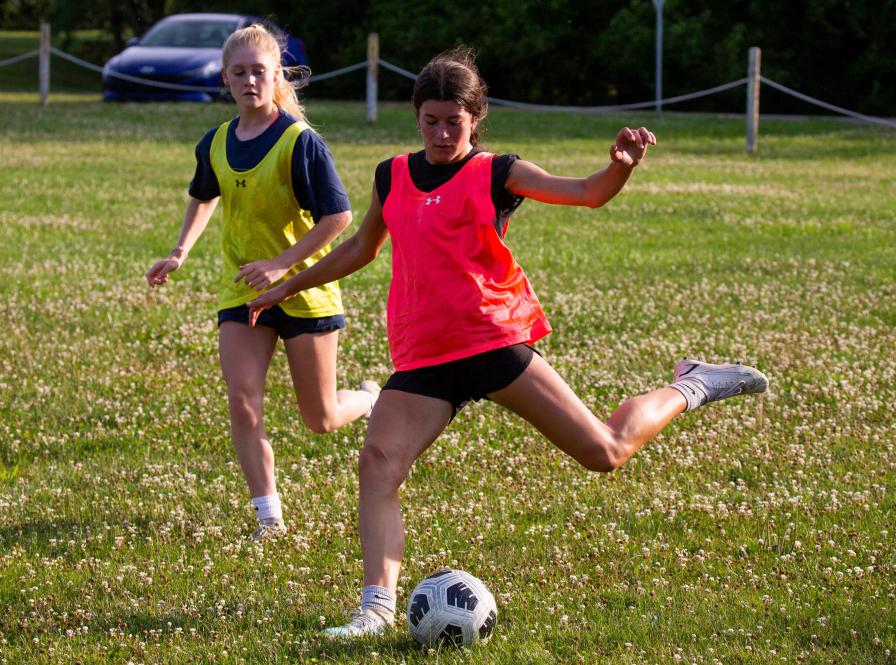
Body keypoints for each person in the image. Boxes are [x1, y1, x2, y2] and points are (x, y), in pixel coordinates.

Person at [247, 47, 768, 635]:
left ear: (476, 118)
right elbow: (359, 249)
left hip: (494, 342)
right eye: (431, 121)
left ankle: (692, 383)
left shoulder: (497, 171)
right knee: (377, 464)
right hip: (424, 357)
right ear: (417, 116)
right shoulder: (391, 175)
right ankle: (375, 609)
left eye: (455, 122)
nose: (443, 134)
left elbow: (586, 192)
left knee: (604, 452)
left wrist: (620, 166)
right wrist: (287, 285)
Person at [145, 24, 379, 541]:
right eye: (240, 72)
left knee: (319, 418)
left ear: (277, 77)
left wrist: (281, 265)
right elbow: (204, 194)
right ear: (225, 78)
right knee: (242, 399)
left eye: (260, 71)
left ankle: (368, 400)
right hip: (244, 292)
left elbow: (337, 217)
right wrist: (179, 251)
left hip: (305, 289)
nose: (250, 80)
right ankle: (268, 515)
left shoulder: (301, 142)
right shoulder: (216, 142)